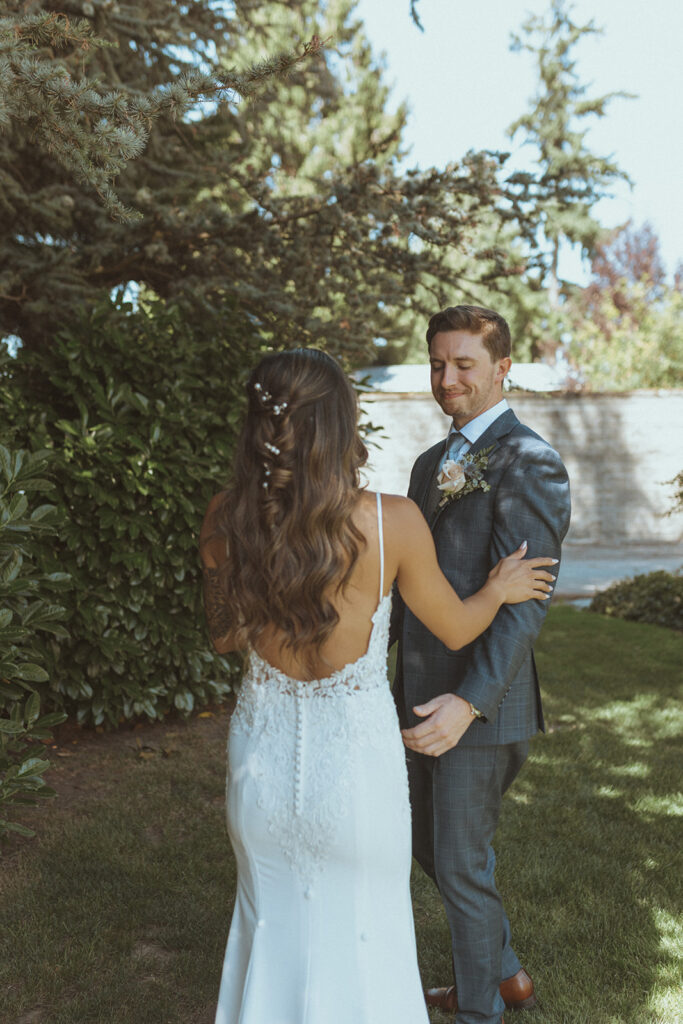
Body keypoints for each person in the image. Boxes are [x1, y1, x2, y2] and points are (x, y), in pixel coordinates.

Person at [199, 347, 557, 1024]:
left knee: (269, 918)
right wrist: (494, 588)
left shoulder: (225, 516)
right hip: (354, 768)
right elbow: (454, 630)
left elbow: (224, 637)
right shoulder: (390, 521)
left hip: (262, 757)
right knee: (365, 932)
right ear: (340, 423)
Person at [391, 306, 571, 1024]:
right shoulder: (428, 465)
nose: (447, 379)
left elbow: (525, 603)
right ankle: (503, 975)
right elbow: (411, 584)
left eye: (463, 364)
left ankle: (478, 1012)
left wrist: (467, 703)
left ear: (502, 369)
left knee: (461, 865)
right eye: (437, 363)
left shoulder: (530, 461)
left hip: (478, 704)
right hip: (414, 691)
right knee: (426, 848)